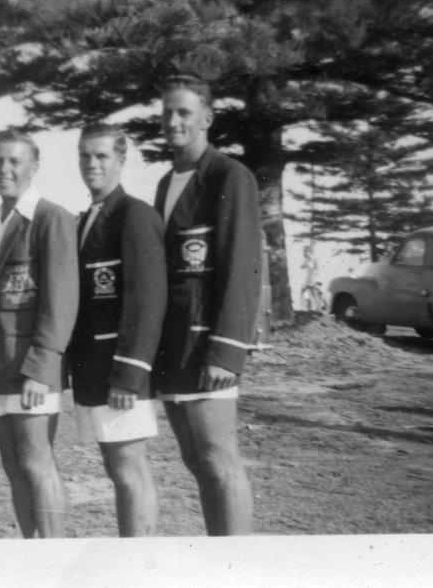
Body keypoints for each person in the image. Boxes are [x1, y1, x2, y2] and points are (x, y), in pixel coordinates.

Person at [153, 73, 265, 536]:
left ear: (207, 118)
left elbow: (244, 267)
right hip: (174, 347)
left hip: (208, 348)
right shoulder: (166, 182)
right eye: (167, 112)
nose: (173, 121)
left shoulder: (230, 176)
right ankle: (219, 557)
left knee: (219, 459)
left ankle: (236, 565)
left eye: (184, 112)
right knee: (196, 461)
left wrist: (227, 350)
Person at [0, 129, 79, 538]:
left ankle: (54, 558)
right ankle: (31, 554)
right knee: (12, 465)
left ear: (33, 167)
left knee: (37, 462)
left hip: (31, 370)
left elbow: (61, 301)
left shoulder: (51, 218)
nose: (3, 169)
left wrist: (42, 367)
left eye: (14, 161)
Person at [66, 123, 167, 537]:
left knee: (129, 470)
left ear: (122, 161)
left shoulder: (135, 215)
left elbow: (147, 301)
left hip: (120, 373)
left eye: (102, 155)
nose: (91, 163)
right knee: (116, 468)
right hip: (93, 370)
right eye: (85, 155)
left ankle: (137, 562)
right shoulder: (85, 220)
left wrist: (129, 374)